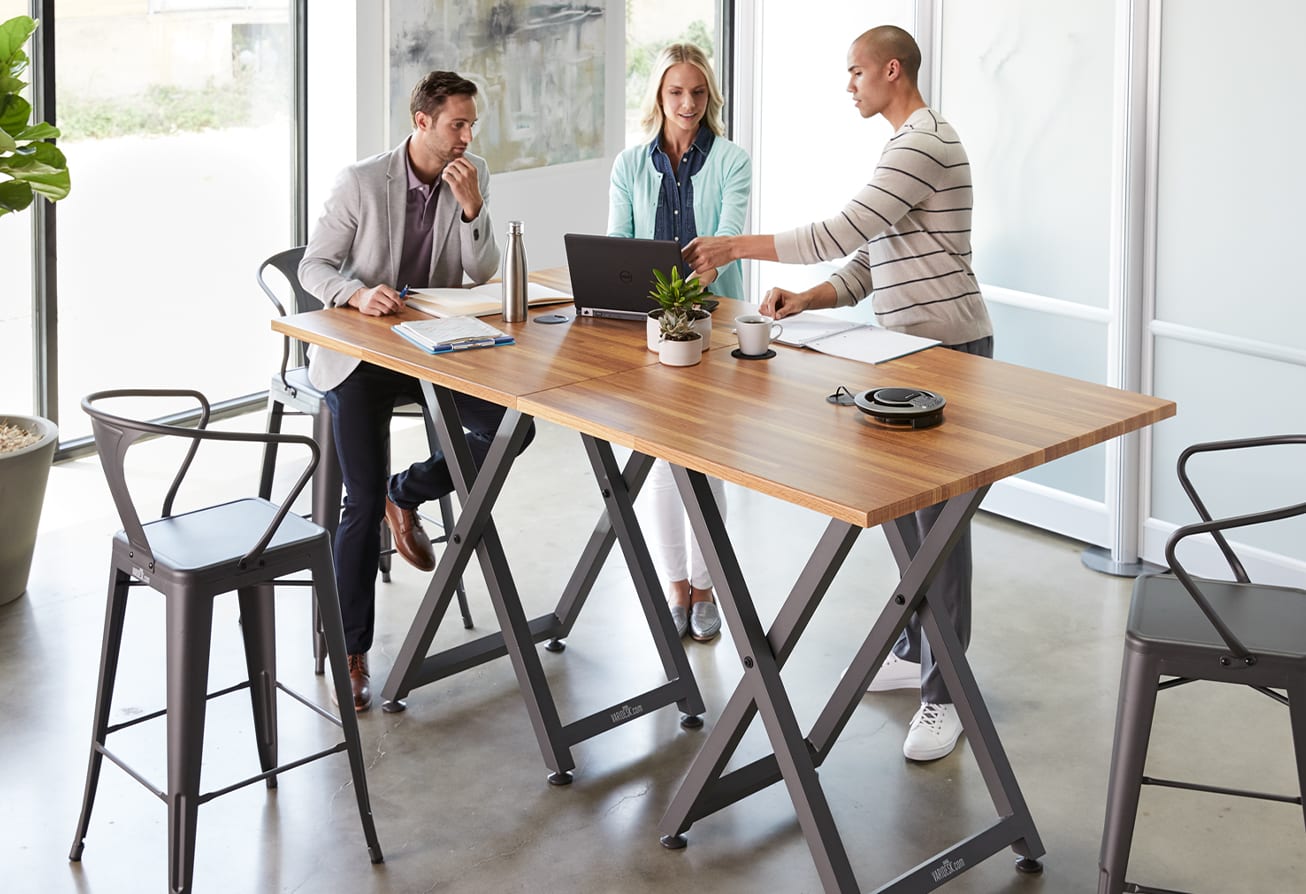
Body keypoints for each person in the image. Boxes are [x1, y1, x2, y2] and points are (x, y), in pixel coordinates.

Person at [683, 25, 992, 761]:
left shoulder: (923, 141)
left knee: (939, 537)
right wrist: (808, 298)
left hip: (947, 354)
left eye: (855, 72)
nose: (847, 84)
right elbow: (867, 261)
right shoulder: (901, 146)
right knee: (912, 528)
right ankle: (921, 654)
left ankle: (945, 697)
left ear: (892, 70)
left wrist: (736, 247)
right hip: (905, 354)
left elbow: (843, 228)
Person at [300, 70, 534, 712]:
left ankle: (410, 495)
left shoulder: (471, 171)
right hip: (360, 355)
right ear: (422, 121)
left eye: (471, 125)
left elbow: (477, 272)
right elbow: (313, 265)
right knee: (359, 497)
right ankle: (353, 650)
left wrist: (472, 208)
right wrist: (355, 292)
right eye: (457, 124)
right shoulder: (362, 182)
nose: (467, 136)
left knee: (513, 428)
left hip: (433, 346)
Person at [608, 43, 752, 643]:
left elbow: (730, 236)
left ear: (708, 97)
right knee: (662, 463)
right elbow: (618, 241)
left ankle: (707, 585)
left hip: (712, 327)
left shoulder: (733, 160)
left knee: (707, 461)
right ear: (659, 97)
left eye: (697, 92)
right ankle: (676, 587)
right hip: (652, 330)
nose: (687, 103)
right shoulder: (630, 163)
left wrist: (699, 273)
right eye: (676, 92)